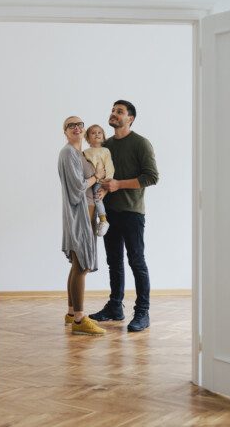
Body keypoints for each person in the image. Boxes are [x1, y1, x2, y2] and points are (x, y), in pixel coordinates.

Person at [90, 100, 159, 332]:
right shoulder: (105, 145)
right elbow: (102, 177)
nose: (113, 114)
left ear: (130, 118)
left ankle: (142, 312)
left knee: (136, 262)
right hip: (109, 215)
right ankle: (115, 307)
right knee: (114, 263)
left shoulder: (141, 143)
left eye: (119, 112)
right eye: (112, 110)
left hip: (132, 213)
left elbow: (151, 177)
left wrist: (119, 184)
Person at [58, 115, 106, 336]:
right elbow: (78, 188)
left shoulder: (81, 154)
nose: (76, 128)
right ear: (65, 131)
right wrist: (97, 177)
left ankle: (70, 313)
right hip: (79, 217)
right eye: (71, 125)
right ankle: (79, 319)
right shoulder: (68, 153)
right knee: (82, 266)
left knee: (78, 265)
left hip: (87, 216)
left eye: (79, 125)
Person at [83, 124, 115, 237]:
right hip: (89, 181)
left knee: (97, 198)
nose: (97, 134)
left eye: (99, 132)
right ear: (87, 138)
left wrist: (107, 182)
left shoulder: (105, 151)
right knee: (88, 201)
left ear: (103, 136)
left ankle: (103, 220)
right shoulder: (85, 152)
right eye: (93, 133)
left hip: (100, 181)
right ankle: (94, 221)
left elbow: (109, 166)